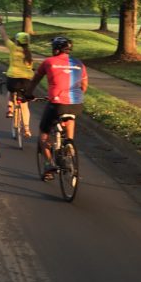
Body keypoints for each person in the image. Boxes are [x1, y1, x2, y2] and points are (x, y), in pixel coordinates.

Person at [28, 36, 88, 180]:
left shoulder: (49, 62)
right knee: (70, 118)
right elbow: (84, 86)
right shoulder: (79, 63)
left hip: (57, 103)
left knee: (44, 134)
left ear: (55, 49)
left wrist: (28, 94)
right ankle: (69, 146)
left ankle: (49, 164)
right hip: (77, 103)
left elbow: (35, 80)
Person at [0, 18, 34, 136]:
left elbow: (4, 36)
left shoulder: (13, 48)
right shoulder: (29, 52)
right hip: (26, 81)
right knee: (25, 105)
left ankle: (10, 108)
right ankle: (27, 129)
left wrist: (0, 24)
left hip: (13, 79)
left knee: (11, 90)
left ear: (17, 41)